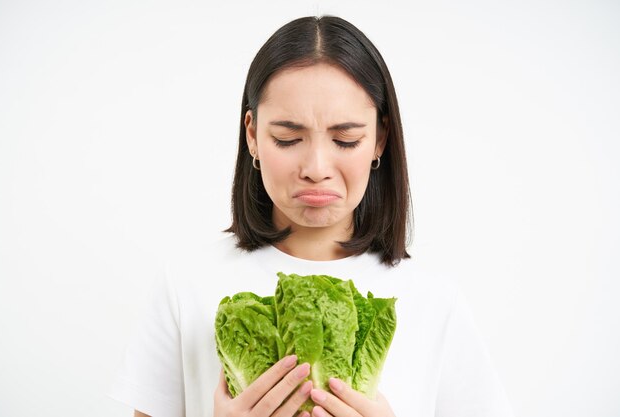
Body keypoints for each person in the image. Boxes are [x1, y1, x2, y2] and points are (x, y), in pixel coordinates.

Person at [108, 15, 514, 417]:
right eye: (287, 139)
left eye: (345, 139)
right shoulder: (186, 284)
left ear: (380, 138)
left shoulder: (435, 300)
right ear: (252, 134)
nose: (316, 167)